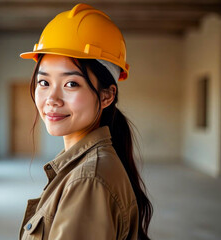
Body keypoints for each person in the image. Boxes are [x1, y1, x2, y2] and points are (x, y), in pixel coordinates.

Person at [18, 3, 153, 240]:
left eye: (71, 84)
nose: (52, 99)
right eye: (44, 82)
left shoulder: (87, 182)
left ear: (106, 96)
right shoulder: (88, 169)